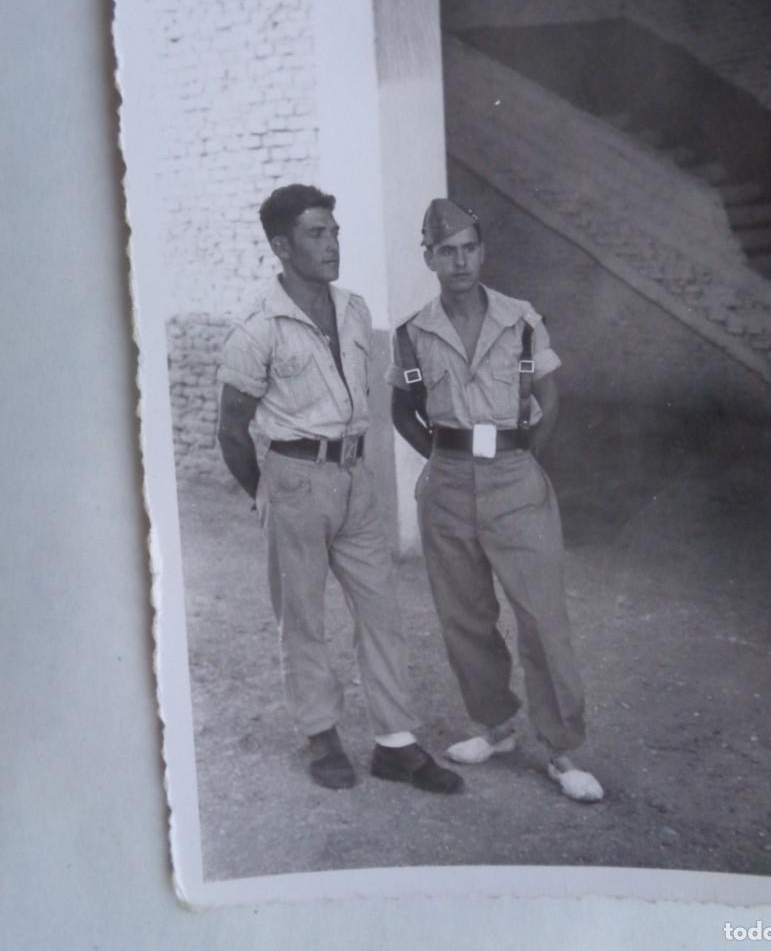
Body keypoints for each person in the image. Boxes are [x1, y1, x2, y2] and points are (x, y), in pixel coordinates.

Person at [217, 183, 462, 795]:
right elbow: (231, 428)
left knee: (381, 608)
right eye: (315, 234)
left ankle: (395, 743)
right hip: (294, 479)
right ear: (281, 245)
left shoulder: (353, 309)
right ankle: (321, 735)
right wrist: (267, 494)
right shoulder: (256, 328)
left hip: (355, 478)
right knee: (303, 618)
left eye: (334, 232)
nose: (331, 245)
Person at [389, 198, 603, 803]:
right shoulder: (412, 334)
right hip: (449, 482)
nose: (459, 261)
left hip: (515, 477)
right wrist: (441, 457)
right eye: (445, 251)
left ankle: (562, 751)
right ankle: (496, 727)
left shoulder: (522, 321)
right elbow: (401, 409)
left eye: (468, 249)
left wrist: (522, 457)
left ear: (482, 252)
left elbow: (549, 398)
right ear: (428, 257)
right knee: (465, 617)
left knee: (542, 616)